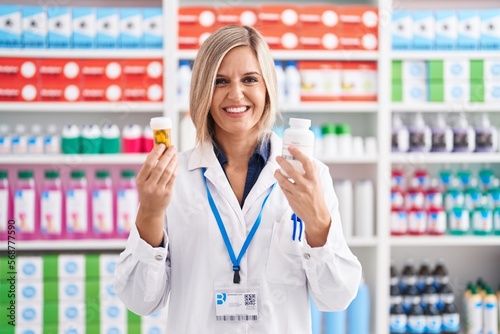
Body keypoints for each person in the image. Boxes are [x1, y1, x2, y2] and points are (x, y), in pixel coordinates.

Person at [114, 25, 362, 333]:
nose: (236, 94)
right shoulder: (174, 179)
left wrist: (318, 222)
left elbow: (337, 297)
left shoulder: (310, 177)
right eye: (220, 81)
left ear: (267, 87)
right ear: (202, 90)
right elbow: (141, 300)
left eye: (249, 79)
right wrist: (149, 213)